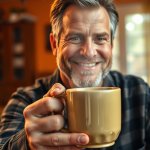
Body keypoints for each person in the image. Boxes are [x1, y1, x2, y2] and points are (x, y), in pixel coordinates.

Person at [0, 0, 150, 149]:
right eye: (75, 38)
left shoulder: (139, 92)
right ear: (54, 45)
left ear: (111, 45)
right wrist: (26, 144)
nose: (89, 52)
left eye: (101, 39)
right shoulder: (26, 101)